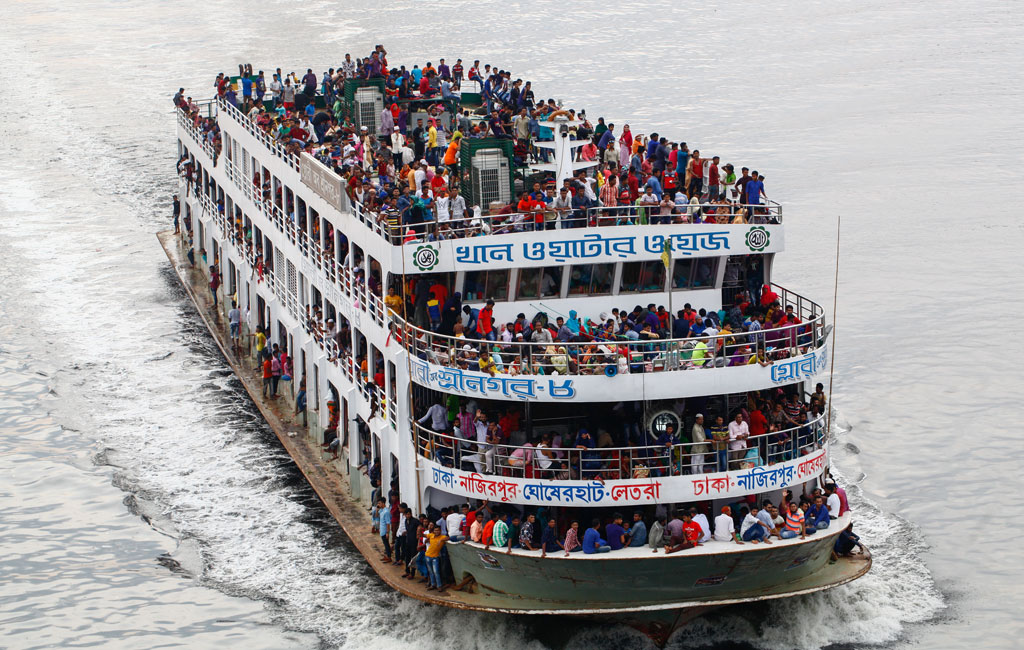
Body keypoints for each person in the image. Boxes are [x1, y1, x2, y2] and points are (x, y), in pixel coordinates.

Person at [424, 524, 449, 593]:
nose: (437, 531)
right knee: (431, 572)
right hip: (427, 555)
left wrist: (441, 540)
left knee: (436, 572)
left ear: (440, 531)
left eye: (438, 530)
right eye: (435, 530)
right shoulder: (431, 535)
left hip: (435, 557)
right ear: (434, 531)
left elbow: (448, 538)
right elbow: (424, 535)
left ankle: (439, 586)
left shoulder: (442, 537)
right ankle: (433, 584)